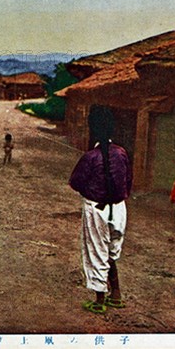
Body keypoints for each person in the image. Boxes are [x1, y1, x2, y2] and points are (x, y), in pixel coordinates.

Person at [69, 105, 133, 314]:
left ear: (94, 129)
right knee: (111, 252)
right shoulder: (121, 153)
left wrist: (92, 191)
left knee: (97, 252)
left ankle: (99, 300)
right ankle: (116, 294)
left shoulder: (90, 157)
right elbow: (128, 181)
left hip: (97, 209)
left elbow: (75, 182)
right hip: (119, 209)